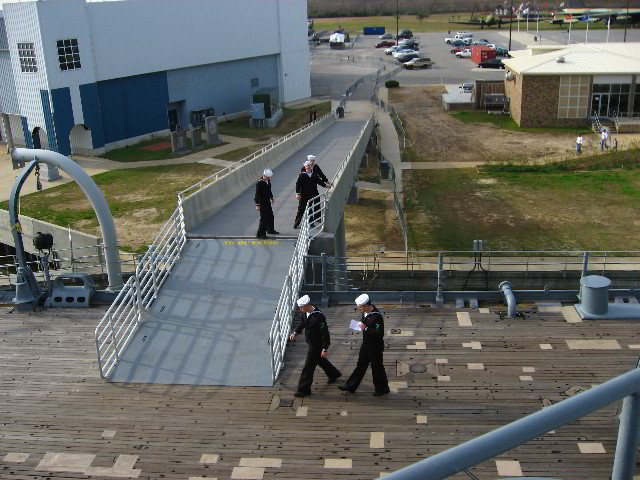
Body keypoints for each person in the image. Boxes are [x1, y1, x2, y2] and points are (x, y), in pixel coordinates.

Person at [289, 295, 341, 397]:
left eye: (302, 307)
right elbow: (303, 323)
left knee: (308, 366)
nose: (300, 309)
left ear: (308, 305)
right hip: (311, 342)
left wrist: (325, 348)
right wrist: (295, 332)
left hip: (317, 344)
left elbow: (325, 334)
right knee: (319, 359)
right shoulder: (305, 313)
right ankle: (334, 374)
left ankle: (304, 389)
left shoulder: (319, 317)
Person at [338, 293, 390, 397]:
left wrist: (365, 328)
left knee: (377, 368)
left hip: (375, 347)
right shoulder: (366, 313)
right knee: (360, 365)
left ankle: (382, 389)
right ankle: (350, 385)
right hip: (366, 344)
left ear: (366, 306)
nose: (359, 309)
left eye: (360, 307)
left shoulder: (376, 317)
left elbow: (379, 333)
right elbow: (365, 322)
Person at [294, 160, 328, 229]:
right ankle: (296, 224)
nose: (308, 167)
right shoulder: (302, 175)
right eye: (307, 166)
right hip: (303, 195)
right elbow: (298, 185)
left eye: (309, 166)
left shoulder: (314, 175)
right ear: (305, 167)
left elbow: (320, 182)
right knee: (301, 209)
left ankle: (311, 223)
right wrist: (297, 194)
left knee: (309, 208)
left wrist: (326, 185)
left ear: (311, 167)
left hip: (312, 194)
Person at [254, 169, 279, 238]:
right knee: (264, 218)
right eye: (268, 177)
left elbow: (269, 190)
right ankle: (260, 234)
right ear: (264, 176)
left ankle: (270, 230)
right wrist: (257, 204)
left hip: (267, 202)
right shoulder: (260, 183)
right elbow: (257, 195)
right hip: (262, 203)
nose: (269, 178)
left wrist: (271, 197)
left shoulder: (268, 181)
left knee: (270, 216)